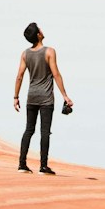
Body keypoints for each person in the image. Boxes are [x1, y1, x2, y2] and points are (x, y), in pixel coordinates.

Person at [13, 22, 72, 174]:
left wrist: (16, 97)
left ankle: (22, 164)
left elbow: (19, 76)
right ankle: (43, 166)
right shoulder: (49, 52)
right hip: (46, 98)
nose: (42, 30)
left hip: (31, 97)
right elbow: (56, 74)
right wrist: (65, 96)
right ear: (38, 35)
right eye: (39, 29)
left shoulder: (25, 54)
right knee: (45, 132)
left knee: (29, 130)